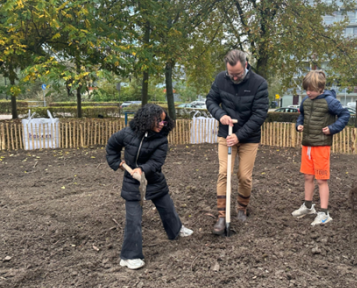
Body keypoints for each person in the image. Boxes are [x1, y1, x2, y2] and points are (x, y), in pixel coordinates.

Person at [106, 104, 193, 270]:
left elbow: (157, 161)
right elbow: (112, 146)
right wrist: (116, 162)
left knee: (167, 208)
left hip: (154, 179)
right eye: (158, 121)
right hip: (132, 182)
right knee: (133, 219)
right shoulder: (127, 133)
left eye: (164, 121)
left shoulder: (161, 139)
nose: (162, 124)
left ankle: (176, 230)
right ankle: (130, 256)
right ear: (146, 119)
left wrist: (142, 169)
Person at [206, 49, 269, 235]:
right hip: (226, 134)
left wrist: (239, 136)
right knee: (224, 172)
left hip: (249, 138)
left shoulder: (260, 84)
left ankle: (242, 208)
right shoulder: (220, 79)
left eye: (238, 74)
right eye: (230, 74)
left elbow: (259, 115)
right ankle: (221, 215)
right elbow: (210, 100)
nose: (233, 78)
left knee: (244, 176)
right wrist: (221, 115)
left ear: (246, 65)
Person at [291, 70, 350, 225]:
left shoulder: (330, 101)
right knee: (308, 177)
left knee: (321, 180)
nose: (308, 92)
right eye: (306, 89)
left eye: (311, 90)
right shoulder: (305, 101)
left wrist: (332, 128)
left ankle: (324, 213)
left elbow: (345, 115)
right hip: (307, 145)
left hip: (322, 146)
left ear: (320, 88)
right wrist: (299, 125)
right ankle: (308, 206)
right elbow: (301, 116)